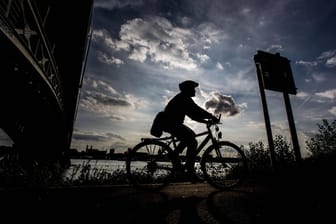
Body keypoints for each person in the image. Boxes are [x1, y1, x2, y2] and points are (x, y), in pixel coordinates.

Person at [161, 80, 218, 181]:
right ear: (188, 89)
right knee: (192, 141)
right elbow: (196, 110)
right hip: (170, 123)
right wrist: (211, 117)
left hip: (172, 123)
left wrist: (206, 121)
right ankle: (190, 172)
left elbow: (193, 115)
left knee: (191, 134)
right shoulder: (184, 98)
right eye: (193, 88)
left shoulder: (183, 98)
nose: (195, 91)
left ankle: (174, 155)